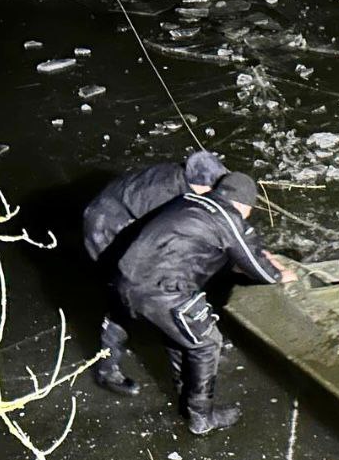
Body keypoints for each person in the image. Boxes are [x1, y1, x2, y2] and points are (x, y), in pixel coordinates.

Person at [112, 172, 297, 434]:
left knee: (180, 338)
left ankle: (185, 399)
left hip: (126, 280)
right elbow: (262, 271)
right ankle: (202, 418)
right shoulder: (229, 218)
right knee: (207, 343)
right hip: (162, 291)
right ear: (245, 205)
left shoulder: (188, 200)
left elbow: (203, 247)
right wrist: (282, 273)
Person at [85, 150, 230, 395]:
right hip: (107, 228)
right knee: (124, 298)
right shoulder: (165, 197)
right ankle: (106, 370)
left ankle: (184, 337)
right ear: (197, 184)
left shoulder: (186, 183)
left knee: (162, 293)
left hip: (128, 216)